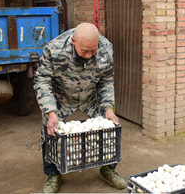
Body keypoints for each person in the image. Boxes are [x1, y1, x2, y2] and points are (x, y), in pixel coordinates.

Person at [34, 22, 126, 193]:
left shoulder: (106, 48)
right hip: (62, 97)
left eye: (94, 50)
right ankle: (53, 173)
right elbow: (42, 80)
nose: (90, 55)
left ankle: (108, 168)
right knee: (51, 129)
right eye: (84, 51)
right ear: (73, 41)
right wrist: (50, 111)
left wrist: (108, 108)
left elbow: (106, 80)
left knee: (108, 129)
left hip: (90, 97)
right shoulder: (54, 49)